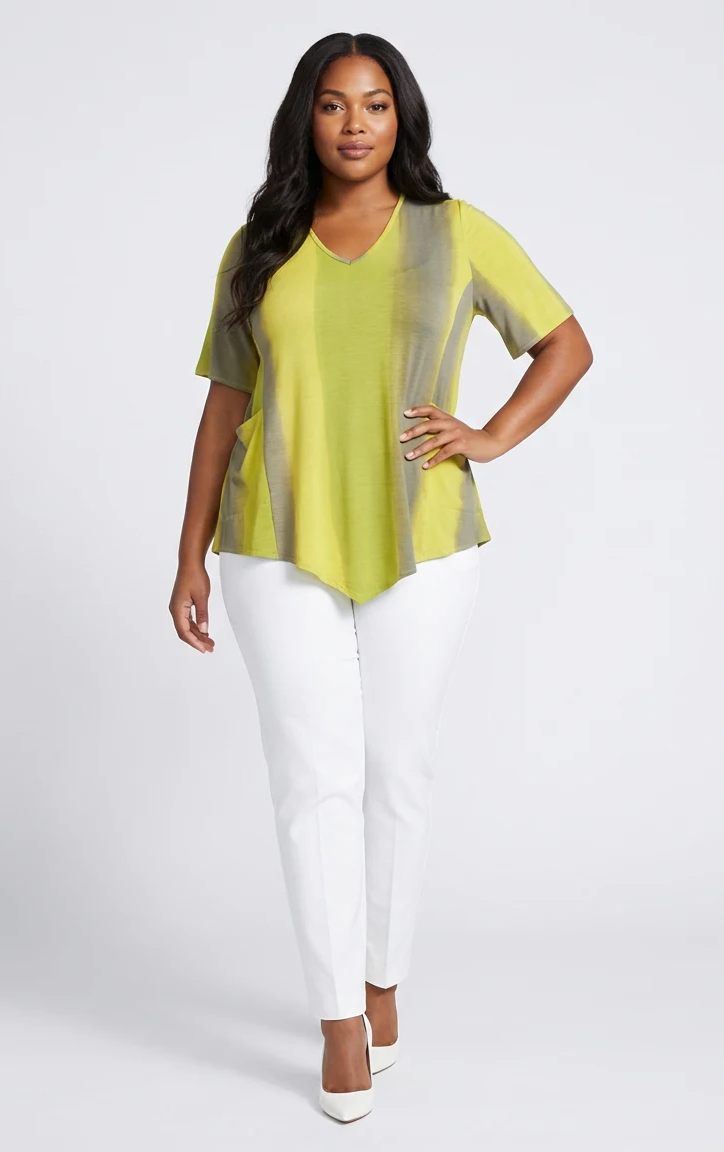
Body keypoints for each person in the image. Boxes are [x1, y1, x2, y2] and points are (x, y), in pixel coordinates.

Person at [170, 32, 593, 1123]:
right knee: (311, 777)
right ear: (304, 119)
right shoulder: (258, 246)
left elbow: (565, 344)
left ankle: (383, 979)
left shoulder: (455, 233)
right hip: (273, 532)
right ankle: (338, 1023)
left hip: (423, 533)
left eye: (373, 103)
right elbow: (224, 403)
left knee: (396, 767)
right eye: (331, 104)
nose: (353, 123)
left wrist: (489, 436)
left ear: (401, 116)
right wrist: (187, 554)